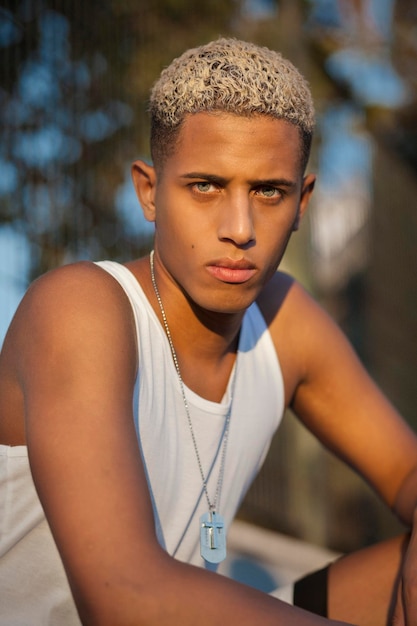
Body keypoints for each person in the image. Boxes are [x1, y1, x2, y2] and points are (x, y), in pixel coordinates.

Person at [0, 37, 416, 626]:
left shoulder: (284, 322)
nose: (240, 228)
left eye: (268, 191)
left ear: (302, 202)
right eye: (206, 186)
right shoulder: (79, 309)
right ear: (148, 191)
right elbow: (125, 598)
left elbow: (406, 472)